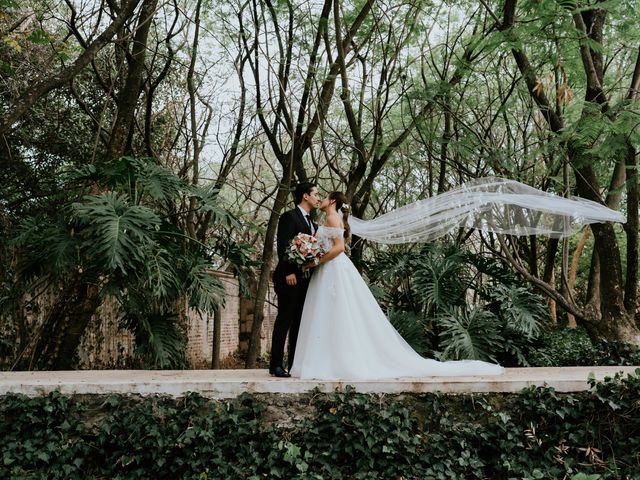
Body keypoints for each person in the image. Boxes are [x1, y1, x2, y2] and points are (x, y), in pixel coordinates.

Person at [290, 191, 505, 380]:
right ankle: (328, 359)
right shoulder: (331, 217)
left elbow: (339, 248)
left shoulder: (332, 218)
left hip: (332, 269)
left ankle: (333, 362)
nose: (322, 199)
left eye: (325, 197)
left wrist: (316, 261)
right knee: (329, 314)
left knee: (335, 313)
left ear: (333, 201)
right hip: (328, 271)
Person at [269, 182, 321, 377]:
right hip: (288, 278)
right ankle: (275, 364)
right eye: (316, 194)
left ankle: (293, 364)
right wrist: (289, 271)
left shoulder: (312, 223)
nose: (318, 197)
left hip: (305, 280)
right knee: (284, 320)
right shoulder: (289, 217)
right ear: (305, 196)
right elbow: (284, 245)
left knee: (299, 322)